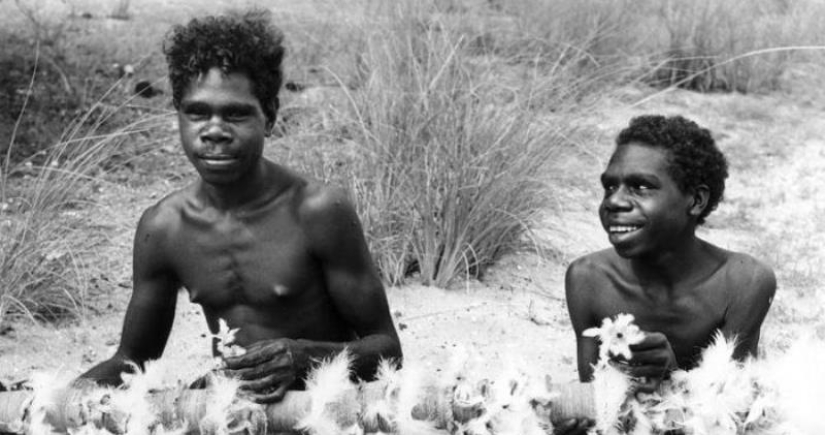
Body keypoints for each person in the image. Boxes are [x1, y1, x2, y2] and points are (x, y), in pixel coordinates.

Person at [79, 10, 402, 403]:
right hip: (234, 413)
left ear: (269, 117)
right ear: (178, 116)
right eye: (197, 112)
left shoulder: (318, 211)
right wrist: (46, 402)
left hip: (325, 410)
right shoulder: (163, 229)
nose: (214, 131)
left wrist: (302, 357)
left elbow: (388, 350)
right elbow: (132, 360)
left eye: (236, 113)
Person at [557, 115, 776, 434]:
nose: (614, 201)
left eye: (640, 186)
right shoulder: (589, 280)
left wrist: (672, 375)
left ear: (696, 200)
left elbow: (728, 413)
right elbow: (599, 405)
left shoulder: (743, 282)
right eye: (610, 186)